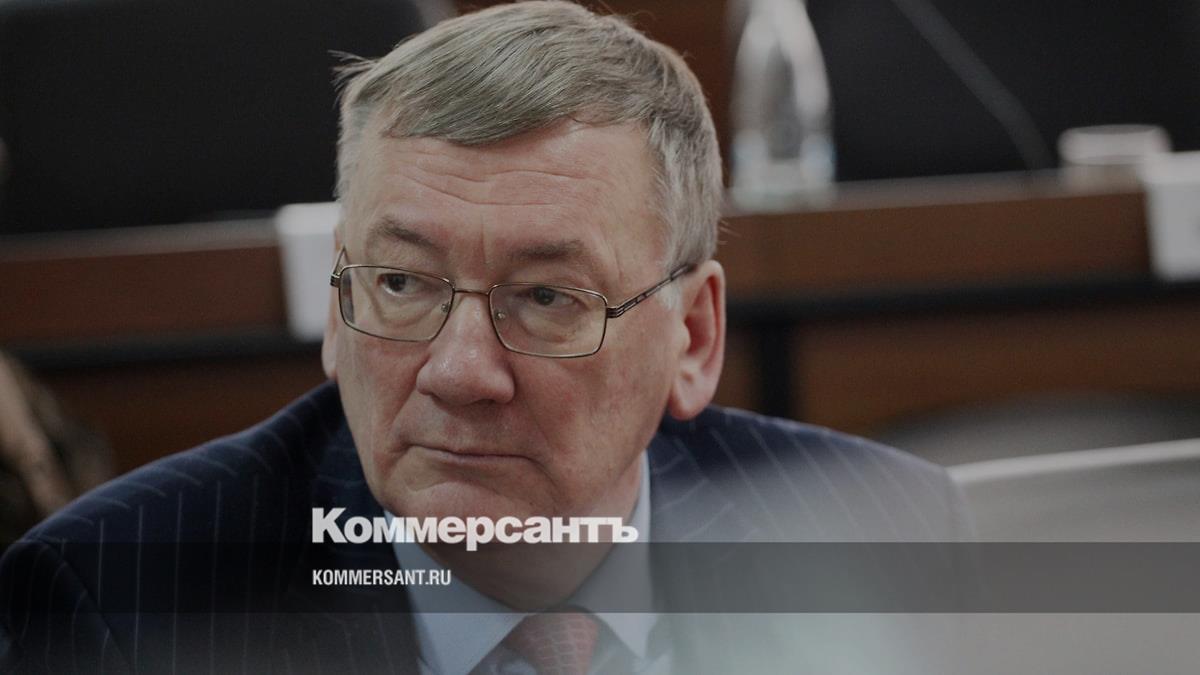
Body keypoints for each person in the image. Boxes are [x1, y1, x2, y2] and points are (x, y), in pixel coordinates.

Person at [0, 2, 970, 672]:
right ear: (337, 310)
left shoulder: (884, 539)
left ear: (692, 338)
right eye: (399, 284)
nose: (461, 372)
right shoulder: (119, 600)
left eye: (546, 298)